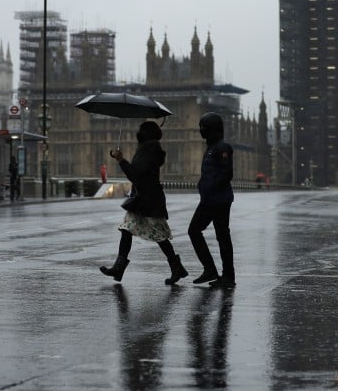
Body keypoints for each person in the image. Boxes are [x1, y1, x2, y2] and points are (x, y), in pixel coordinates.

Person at [99, 120, 188, 285]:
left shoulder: (149, 150)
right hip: (143, 199)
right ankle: (118, 268)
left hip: (149, 200)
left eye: (141, 130)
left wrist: (120, 160)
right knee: (126, 230)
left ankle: (177, 268)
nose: (137, 132)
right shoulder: (148, 149)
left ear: (146, 134)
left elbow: (135, 174)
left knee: (159, 236)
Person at [188, 112, 236, 288]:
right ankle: (225, 275)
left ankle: (215, 271)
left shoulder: (222, 147)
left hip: (217, 199)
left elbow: (227, 173)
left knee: (196, 231)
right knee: (222, 236)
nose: (201, 130)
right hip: (211, 198)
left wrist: (209, 187)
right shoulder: (210, 148)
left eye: (204, 127)